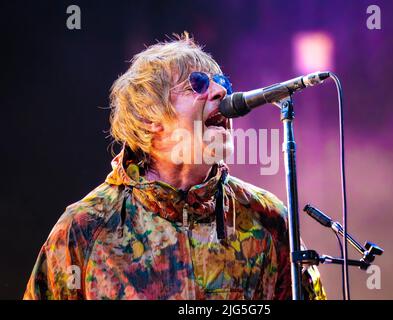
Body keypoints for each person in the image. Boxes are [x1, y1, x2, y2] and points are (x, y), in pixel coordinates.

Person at [23, 33, 326, 300]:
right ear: (148, 119)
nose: (221, 94)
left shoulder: (268, 219)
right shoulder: (85, 228)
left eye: (222, 84)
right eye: (198, 85)